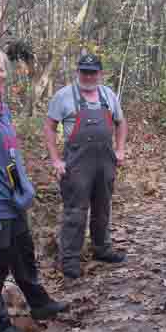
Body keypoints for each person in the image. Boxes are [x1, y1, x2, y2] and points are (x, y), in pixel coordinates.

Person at [0, 48, 69, 332]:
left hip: (14, 201)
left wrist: (26, 188)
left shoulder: (2, 108)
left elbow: (12, 155)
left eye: (0, 70)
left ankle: (39, 303)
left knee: (23, 256)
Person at [44, 53, 128, 279]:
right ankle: (69, 259)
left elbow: (121, 123)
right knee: (75, 212)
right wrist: (56, 160)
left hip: (105, 162)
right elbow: (49, 127)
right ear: (78, 72)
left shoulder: (108, 95)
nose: (88, 76)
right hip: (77, 163)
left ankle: (102, 249)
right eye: (84, 72)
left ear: (100, 73)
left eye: (93, 72)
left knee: (103, 208)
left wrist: (120, 150)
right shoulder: (63, 96)